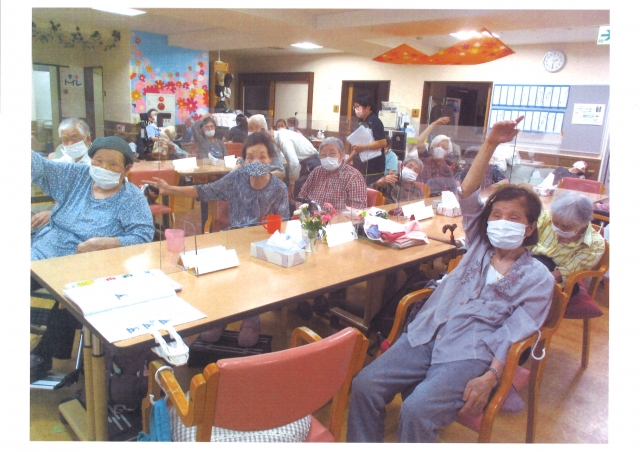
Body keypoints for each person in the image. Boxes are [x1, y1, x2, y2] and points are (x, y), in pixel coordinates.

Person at [346, 116, 555, 443]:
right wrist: (490, 143)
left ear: (529, 228)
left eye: (514, 218)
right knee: (364, 385)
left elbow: (515, 333)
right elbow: (468, 192)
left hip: (470, 351)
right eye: (497, 215)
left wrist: (491, 376)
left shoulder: (538, 278)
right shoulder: (480, 245)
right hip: (429, 329)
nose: (502, 222)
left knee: (416, 410)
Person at [143, 131, 289, 347]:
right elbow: (205, 191)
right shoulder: (237, 178)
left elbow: (283, 226)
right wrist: (171, 189)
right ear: (243, 160)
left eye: (262, 156)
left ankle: (252, 318)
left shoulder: (279, 188)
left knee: (254, 271)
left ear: (271, 159)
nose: (256, 162)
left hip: (262, 246)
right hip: (234, 240)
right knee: (220, 272)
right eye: (250, 157)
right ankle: (223, 316)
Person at [30, 136, 155, 379]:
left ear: (127, 169)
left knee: (74, 298)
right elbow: (41, 167)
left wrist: (108, 242)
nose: (103, 168)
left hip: (84, 264)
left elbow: (142, 236)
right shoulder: (77, 176)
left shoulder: (131, 198)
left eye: (113, 164)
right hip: (44, 251)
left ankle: (43, 355)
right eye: (98, 161)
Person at [528, 191, 605, 295]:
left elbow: (566, 272)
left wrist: (534, 282)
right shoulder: (546, 217)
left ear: (583, 223)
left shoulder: (594, 244)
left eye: (566, 226)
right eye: (555, 222)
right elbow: (525, 242)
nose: (558, 228)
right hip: (529, 262)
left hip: (556, 278)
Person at [34, 118, 94, 230]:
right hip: (62, 209)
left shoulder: (97, 162)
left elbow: (92, 204)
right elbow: (48, 168)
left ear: (88, 139)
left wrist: (56, 214)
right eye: (65, 140)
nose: (70, 144)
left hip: (83, 216)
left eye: (74, 138)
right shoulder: (66, 160)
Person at [297, 137, 367, 211]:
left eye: (332, 153)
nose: (327, 158)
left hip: (339, 218)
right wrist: (302, 213)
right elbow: (301, 198)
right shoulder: (316, 172)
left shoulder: (353, 176)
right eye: (323, 155)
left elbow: (357, 209)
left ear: (342, 155)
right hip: (311, 217)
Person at [346, 93, 388, 185]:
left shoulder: (375, 121)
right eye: (355, 107)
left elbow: (382, 142)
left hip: (373, 167)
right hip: (362, 165)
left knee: (371, 190)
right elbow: (358, 145)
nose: (356, 109)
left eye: (358, 106)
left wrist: (363, 147)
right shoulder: (363, 121)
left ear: (368, 107)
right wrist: (349, 158)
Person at [246, 114, 293, 183]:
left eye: (251, 128)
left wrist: (262, 176)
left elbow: (281, 172)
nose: (249, 131)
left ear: (262, 130)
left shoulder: (271, 145)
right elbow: (242, 162)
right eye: (248, 129)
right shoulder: (250, 144)